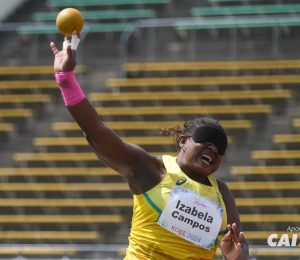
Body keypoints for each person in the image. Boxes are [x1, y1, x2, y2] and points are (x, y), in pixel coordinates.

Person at [50, 35, 249, 260]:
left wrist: (236, 257)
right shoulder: (152, 170)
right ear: (183, 141)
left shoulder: (222, 193)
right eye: (206, 138)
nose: (214, 148)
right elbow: (97, 132)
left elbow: (240, 246)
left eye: (220, 147)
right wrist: (66, 79)